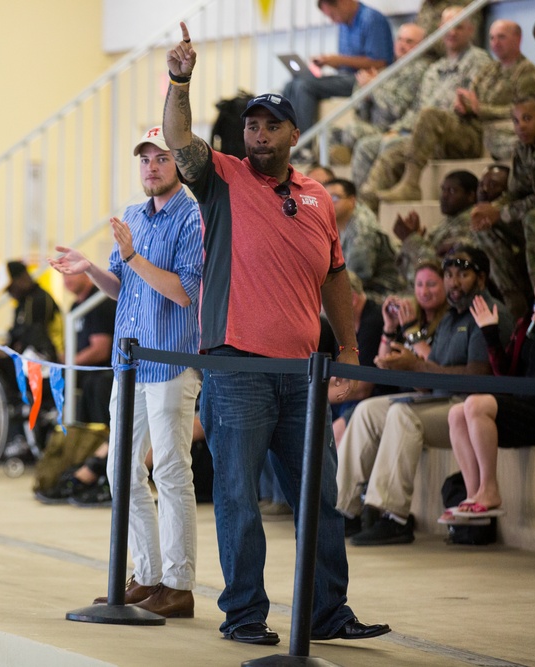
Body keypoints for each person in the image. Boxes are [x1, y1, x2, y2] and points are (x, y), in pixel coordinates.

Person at [163, 23, 389, 645]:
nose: (258, 134)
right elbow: (180, 137)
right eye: (251, 126)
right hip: (236, 371)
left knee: (318, 498)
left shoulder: (317, 197)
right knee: (238, 500)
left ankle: (326, 613)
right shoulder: (221, 181)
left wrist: (347, 351)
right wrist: (179, 79)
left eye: (271, 126)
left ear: (294, 134)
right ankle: (244, 616)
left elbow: (337, 279)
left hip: (304, 373)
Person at [49, 125, 203, 619]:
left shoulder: (193, 218)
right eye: (144, 159)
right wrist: (91, 268)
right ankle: (149, 573)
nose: (151, 167)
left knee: (173, 470)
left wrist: (133, 256)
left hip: (172, 362)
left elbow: (183, 292)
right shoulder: (135, 215)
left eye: (160, 158)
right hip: (129, 363)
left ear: (178, 164)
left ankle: (179, 585)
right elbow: (127, 289)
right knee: (120, 469)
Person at [337, 244, 513, 545]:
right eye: (449, 275)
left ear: (482, 279)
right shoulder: (449, 318)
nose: (454, 283)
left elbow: (478, 377)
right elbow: (432, 374)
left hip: (468, 408)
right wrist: (403, 366)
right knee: (368, 410)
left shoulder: (489, 312)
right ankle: (343, 510)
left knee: (401, 415)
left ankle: (392, 516)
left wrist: (416, 364)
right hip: (438, 399)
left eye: (463, 275)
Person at [445, 262, 535, 524]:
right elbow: (504, 374)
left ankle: (490, 489)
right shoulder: (526, 323)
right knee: (456, 412)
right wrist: (489, 333)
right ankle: (474, 493)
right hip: (523, 410)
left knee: (476, 405)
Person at [377, 20, 535, 203]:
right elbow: (473, 101)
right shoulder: (489, 70)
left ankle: (411, 185)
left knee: (431, 115)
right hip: (468, 128)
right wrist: (464, 105)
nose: (495, 43)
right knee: (394, 151)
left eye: (501, 37)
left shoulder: (527, 72)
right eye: (492, 38)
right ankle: (370, 200)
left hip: (486, 138)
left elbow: (524, 113)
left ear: (518, 39)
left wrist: (481, 109)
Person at [359, 7, 490, 212]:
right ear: (439, 29)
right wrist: (399, 129)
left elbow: (473, 104)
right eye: (447, 27)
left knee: (430, 116)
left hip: (465, 134)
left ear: (471, 30)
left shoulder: (479, 60)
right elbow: (417, 108)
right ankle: (366, 210)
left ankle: (411, 184)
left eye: (459, 27)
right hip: (428, 138)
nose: (452, 32)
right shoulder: (434, 69)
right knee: (391, 154)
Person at [470, 95, 535, 283]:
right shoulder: (523, 145)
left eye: (527, 119)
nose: (520, 126)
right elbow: (516, 192)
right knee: (485, 225)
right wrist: (491, 210)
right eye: (516, 120)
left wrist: (502, 212)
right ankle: (514, 298)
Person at [282, 0, 393, 138]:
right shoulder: (344, 25)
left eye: (333, 15)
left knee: (304, 86)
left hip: (365, 80)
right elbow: (348, 63)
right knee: (290, 85)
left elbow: (379, 62)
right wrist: (329, 62)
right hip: (346, 76)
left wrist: (339, 60)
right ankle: (285, 141)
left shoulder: (371, 19)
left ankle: (303, 145)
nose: (333, 20)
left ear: (344, 3)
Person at [335, 23, 429, 186]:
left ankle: (355, 193)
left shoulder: (419, 70)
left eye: (409, 41)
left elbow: (399, 109)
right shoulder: (389, 70)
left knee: (358, 137)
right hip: (376, 125)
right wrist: (364, 94)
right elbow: (361, 113)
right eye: (399, 39)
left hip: (395, 129)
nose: (402, 45)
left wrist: (374, 88)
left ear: (421, 45)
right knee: (330, 133)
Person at [329, 271, 388, 445]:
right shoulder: (344, 323)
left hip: (375, 399)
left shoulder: (373, 321)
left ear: (352, 299)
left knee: (333, 432)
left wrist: (316, 395)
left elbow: (363, 387)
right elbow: (339, 377)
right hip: (350, 397)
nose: (324, 308)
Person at [325, 178, 403, 302]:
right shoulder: (338, 223)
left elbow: (356, 278)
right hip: (363, 291)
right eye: (325, 199)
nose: (329, 203)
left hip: (384, 295)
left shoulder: (362, 228)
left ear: (352, 200)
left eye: (335, 198)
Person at [394, 170, 477, 285]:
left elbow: (439, 269)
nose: (444, 196)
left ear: (471, 196)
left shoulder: (471, 225)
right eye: (443, 190)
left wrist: (411, 239)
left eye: (452, 191)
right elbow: (418, 263)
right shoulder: (447, 223)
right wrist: (414, 239)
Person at [469, 164, 530, 320]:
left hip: (517, 282)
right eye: (481, 185)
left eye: (493, 185)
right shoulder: (470, 217)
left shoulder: (519, 216)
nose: (483, 190)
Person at [63, 271, 116, 425]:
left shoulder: (99, 301)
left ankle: (96, 439)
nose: (67, 279)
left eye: (71, 274)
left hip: (103, 369)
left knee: (92, 384)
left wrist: (69, 362)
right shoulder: (75, 306)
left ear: (87, 275)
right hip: (84, 368)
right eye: (64, 276)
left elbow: (100, 350)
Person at [5, 260, 63, 363]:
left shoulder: (40, 299)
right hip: (30, 354)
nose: (10, 293)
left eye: (10, 288)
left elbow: (36, 337)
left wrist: (9, 351)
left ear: (21, 280)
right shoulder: (23, 302)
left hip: (47, 357)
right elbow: (16, 333)